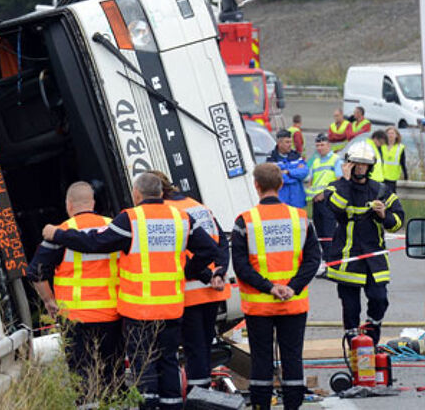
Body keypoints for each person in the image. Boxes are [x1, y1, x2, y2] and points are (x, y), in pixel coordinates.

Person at [42, 173, 219, 410]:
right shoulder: (181, 218)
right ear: (160, 193)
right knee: (168, 362)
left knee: (143, 366)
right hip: (172, 308)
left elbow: (95, 243)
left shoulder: (132, 219)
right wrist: (187, 270)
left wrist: (59, 234)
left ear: (137, 194)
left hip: (139, 310)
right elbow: (210, 250)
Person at [232, 163, 322, 410]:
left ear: (256, 186)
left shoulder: (245, 221)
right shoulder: (301, 218)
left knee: (261, 360)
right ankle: (293, 406)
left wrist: (269, 288)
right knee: (292, 358)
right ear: (281, 185)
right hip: (293, 302)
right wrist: (292, 287)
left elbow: (241, 266)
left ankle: (262, 406)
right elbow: (314, 259)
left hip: (260, 306)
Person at [26, 181, 123, 396]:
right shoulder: (114, 227)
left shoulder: (60, 232)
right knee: (113, 373)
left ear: (69, 205)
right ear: (93, 202)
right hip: (113, 315)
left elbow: (36, 272)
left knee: (82, 375)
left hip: (75, 318)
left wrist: (49, 301)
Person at [149, 171, 230, 393]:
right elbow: (221, 242)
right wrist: (219, 272)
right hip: (214, 290)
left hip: (190, 292)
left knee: (194, 350)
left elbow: (180, 253)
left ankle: (199, 397)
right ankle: (204, 394)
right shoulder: (197, 206)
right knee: (203, 346)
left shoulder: (169, 213)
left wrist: (206, 275)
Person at [326, 142, 404, 346]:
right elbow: (336, 208)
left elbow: (397, 223)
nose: (359, 168)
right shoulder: (336, 187)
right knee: (350, 307)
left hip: (375, 258)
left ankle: (372, 332)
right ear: (348, 164)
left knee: (379, 298)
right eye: (355, 164)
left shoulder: (381, 190)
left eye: (364, 164)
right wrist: (345, 180)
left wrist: (384, 215)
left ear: (370, 167)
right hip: (347, 258)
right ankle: (354, 343)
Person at [305, 134, 343, 262]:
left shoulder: (336, 160)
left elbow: (339, 181)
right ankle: (327, 261)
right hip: (316, 202)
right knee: (320, 234)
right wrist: (312, 196)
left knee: (329, 234)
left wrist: (324, 194)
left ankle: (332, 263)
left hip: (328, 202)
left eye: (322, 145)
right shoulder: (315, 162)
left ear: (328, 145)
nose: (320, 148)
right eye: (317, 145)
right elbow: (311, 182)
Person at [266, 130, 308, 208]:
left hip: (297, 201)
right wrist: (295, 176)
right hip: (281, 201)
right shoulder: (271, 158)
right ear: (279, 143)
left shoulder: (296, 156)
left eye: (290, 142)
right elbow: (274, 177)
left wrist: (288, 172)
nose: (290, 145)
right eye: (287, 142)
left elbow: (304, 172)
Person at [381, 126, 407, 195]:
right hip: (381, 176)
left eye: (392, 133)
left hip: (392, 177)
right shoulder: (381, 146)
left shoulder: (400, 148)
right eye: (388, 133)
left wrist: (406, 176)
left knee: (391, 197)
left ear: (396, 135)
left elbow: (402, 163)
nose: (390, 135)